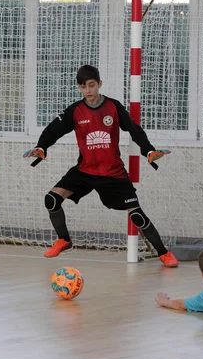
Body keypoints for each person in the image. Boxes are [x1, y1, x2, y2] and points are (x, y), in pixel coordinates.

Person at [23, 65, 178, 267]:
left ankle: (164, 253)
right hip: (85, 171)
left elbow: (134, 129)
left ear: (99, 84)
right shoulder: (75, 110)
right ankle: (64, 240)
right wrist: (41, 146)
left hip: (113, 173)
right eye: (83, 87)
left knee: (137, 215)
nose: (88, 90)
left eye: (91, 85)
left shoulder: (113, 107)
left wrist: (148, 151)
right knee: (51, 199)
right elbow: (54, 129)